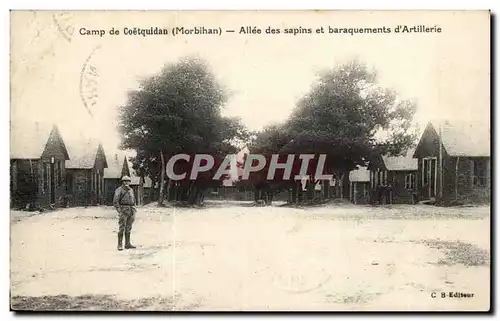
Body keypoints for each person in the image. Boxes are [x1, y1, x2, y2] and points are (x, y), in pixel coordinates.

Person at [113, 176, 137, 251]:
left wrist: (134, 208)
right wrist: (119, 211)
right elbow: (115, 201)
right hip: (123, 210)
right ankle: (119, 245)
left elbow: (133, 200)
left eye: (128, 181)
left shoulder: (131, 190)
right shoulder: (119, 190)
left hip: (131, 210)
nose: (126, 182)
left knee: (129, 227)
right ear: (122, 182)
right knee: (122, 227)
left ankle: (127, 244)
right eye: (125, 181)